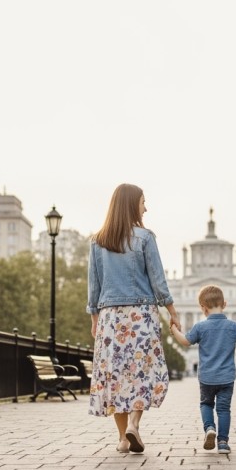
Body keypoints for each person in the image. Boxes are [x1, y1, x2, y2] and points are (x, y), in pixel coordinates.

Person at [87, 183, 181, 454]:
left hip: (110, 317)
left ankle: (122, 439)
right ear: (131, 204)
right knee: (141, 373)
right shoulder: (145, 237)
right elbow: (157, 279)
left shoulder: (97, 240)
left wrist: (94, 317)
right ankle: (134, 425)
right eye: (143, 202)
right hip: (141, 316)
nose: (146, 207)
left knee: (115, 375)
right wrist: (171, 310)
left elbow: (93, 284)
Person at [169, 285, 236, 455]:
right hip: (227, 377)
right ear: (225, 304)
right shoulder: (233, 326)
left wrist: (174, 329)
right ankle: (222, 443)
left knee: (206, 404)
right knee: (223, 409)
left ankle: (209, 428)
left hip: (206, 377)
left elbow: (185, 342)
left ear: (203, 308)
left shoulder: (200, 327)